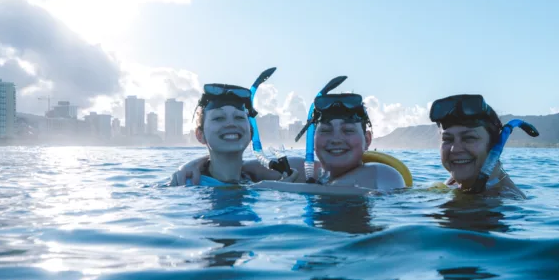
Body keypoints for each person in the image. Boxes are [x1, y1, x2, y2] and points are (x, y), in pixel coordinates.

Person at [254, 92, 407, 195]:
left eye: (348, 130)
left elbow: (342, 190)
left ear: (367, 140)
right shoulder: (304, 170)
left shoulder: (381, 174)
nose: (336, 139)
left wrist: (270, 186)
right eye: (326, 130)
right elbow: (244, 169)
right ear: (313, 139)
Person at [169, 81, 298, 186]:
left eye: (239, 117)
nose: (231, 124)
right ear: (200, 135)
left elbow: (307, 168)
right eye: (219, 118)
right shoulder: (185, 185)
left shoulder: (253, 177)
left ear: (251, 133)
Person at [429, 94, 539, 198]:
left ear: (493, 144)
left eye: (469, 138)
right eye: (447, 139)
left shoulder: (505, 199)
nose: (455, 149)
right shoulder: (453, 184)